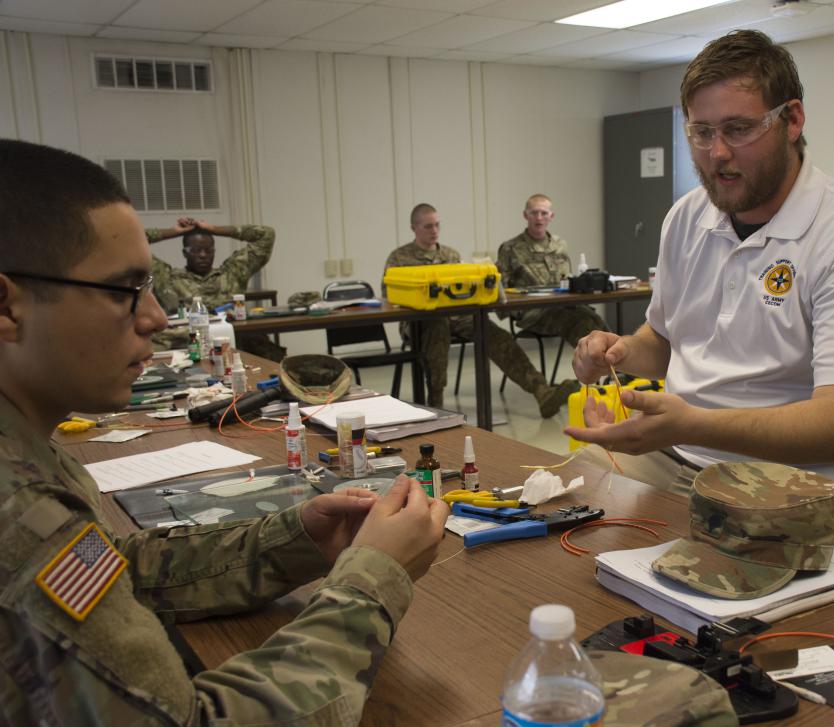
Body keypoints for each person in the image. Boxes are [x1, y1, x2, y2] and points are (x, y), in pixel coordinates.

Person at [0, 139, 449, 723]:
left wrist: (297, 541)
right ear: (8, 308)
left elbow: (113, 568)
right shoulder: (20, 509)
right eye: (124, 290)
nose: (157, 318)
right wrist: (372, 581)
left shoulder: (29, 451)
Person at [566, 30, 834, 532]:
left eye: (738, 129)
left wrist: (692, 423)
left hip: (789, 483)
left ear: (792, 120)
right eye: (701, 132)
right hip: (674, 457)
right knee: (558, 526)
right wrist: (616, 351)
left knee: (682, 590)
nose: (717, 153)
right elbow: (662, 342)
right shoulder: (687, 217)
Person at [384, 204, 581, 416]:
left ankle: (541, 391)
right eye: (428, 226)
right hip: (418, 323)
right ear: (414, 228)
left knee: (496, 336)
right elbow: (389, 297)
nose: (434, 231)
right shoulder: (399, 258)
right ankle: (435, 403)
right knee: (437, 328)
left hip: (457, 316)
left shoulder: (451, 255)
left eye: (437, 225)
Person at [145, 217, 285, 361]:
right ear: (185, 253)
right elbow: (129, 240)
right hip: (184, 352)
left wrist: (214, 229)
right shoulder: (166, 278)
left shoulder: (232, 274)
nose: (203, 255)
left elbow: (266, 235)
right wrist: (174, 231)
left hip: (233, 350)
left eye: (208, 250)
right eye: (196, 250)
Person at [496, 194, 609, 346]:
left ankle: (617, 364)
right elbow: (500, 288)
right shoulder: (510, 248)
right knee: (580, 323)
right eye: (534, 213)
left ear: (551, 216)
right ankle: (602, 364)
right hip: (533, 313)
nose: (539, 218)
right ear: (525, 215)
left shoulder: (559, 244)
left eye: (544, 213)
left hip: (564, 305)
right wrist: (515, 310)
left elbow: (567, 279)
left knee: (596, 321)